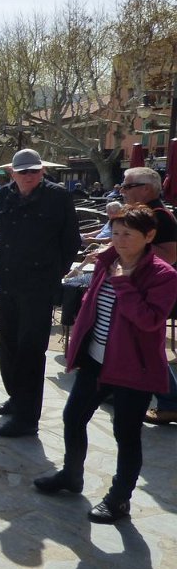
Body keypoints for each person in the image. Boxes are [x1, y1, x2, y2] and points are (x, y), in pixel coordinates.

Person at [33, 205, 177, 523]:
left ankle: (119, 499)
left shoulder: (163, 275)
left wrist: (124, 284)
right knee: (73, 417)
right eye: (116, 233)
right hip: (96, 362)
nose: (119, 240)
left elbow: (150, 320)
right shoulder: (107, 261)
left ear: (149, 236)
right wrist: (78, 347)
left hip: (133, 369)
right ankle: (71, 475)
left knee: (126, 434)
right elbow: (91, 306)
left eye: (128, 234)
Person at [0, 149, 80, 437]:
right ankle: (17, 397)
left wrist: (52, 273)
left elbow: (71, 241)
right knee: (7, 344)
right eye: (23, 171)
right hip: (7, 281)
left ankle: (27, 417)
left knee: (31, 349)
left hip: (38, 285)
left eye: (34, 171)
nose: (28, 176)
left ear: (42, 171)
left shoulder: (58, 197)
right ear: (12, 173)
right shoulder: (4, 196)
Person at [119, 167, 177, 425]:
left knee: (148, 348)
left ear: (146, 188)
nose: (122, 190)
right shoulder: (143, 214)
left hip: (149, 292)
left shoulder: (160, 216)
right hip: (137, 287)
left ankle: (171, 401)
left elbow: (170, 256)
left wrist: (130, 246)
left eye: (128, 186)